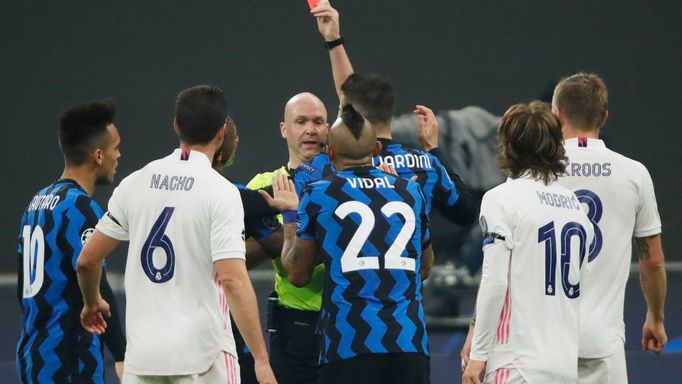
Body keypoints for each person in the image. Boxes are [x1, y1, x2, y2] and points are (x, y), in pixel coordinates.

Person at [76, 85, 276, 384]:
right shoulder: (220, 192)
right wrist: (261, 360)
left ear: (176, 126)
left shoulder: (135, 182)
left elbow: (88, 261)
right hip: (204, 358)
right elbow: (233, 279)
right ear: (222, 133)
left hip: (142, 361)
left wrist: (92, 303)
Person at [275, 104, 434, 384]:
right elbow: (424, 268)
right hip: (409, 344)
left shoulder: (319, 194)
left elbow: (298, 275)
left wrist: (291, 217)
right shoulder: (410, 192)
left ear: (330, 153)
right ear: (375, 150)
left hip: (347, 345)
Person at [311, 0, 478, 227]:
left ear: (351, 116)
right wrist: (433, 150)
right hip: (413, 263)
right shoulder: (424, 164)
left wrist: (333, 40)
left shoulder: (333, 165)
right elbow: (467, 213)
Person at [462, 101, 594, 383]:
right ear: (556, 146)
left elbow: (495, 280)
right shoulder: (576, 208)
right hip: (565, 366)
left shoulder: (500, 199)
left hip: (516, 364)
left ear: (507, 146)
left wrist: (478, 355)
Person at [552, 73, 667, 383]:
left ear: (557, 115)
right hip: (602, 342)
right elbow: (653, 260)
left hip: (542, 341)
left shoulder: (536, 173)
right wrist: (655, 316)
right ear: (603, 117)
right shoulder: (634, 174)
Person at [16, 99, 126, 383]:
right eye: (116, 148)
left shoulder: (35, 205)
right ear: (99, 155)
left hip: (33, 357)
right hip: (70, 361)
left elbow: (21, 289)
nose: (119, 155)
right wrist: (122, 354)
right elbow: (94, 277)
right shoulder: (80, 208)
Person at [245, 91, 330, 384]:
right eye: (301, 121)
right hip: (293, 333)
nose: (310, 130)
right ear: (284, 129)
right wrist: (274, 241)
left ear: (328, 129)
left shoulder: (345, 184)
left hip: (346, 327)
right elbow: (232, 258)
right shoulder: (262, 187)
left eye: (318, 121)